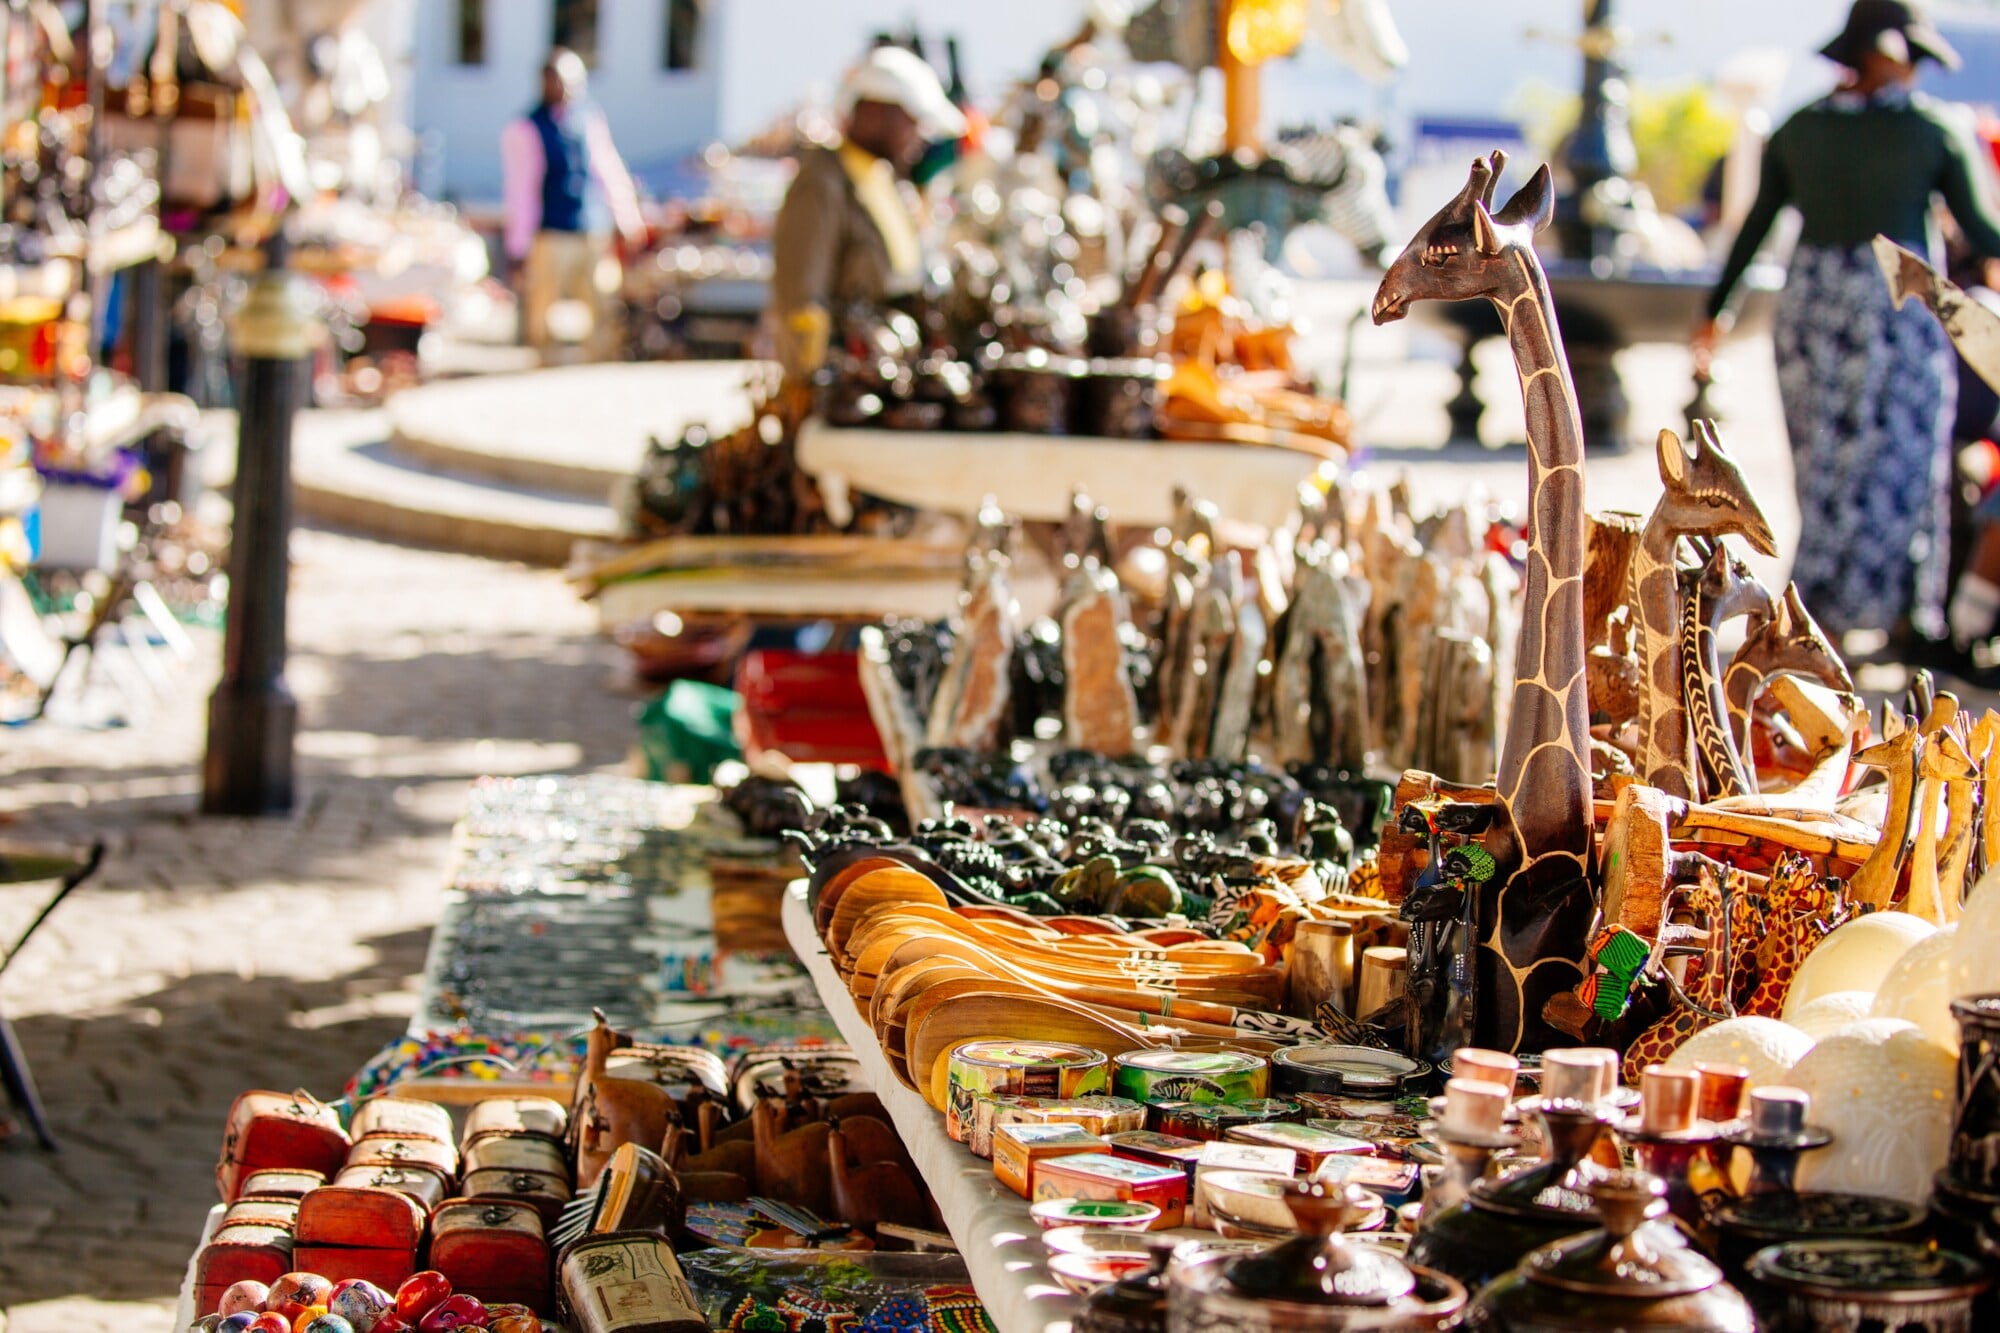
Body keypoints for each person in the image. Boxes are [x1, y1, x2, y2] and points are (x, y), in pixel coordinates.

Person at [1694, 0, 2000, 652]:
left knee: (1826, 469)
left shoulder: (1800, 129)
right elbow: (1983, 229)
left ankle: (1819, 615)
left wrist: (1714, 314)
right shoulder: (1932, 129)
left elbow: (1755, 226)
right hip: (1898, 309)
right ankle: (1904, 619)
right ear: (1888, 56)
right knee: (1903, 465)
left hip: (1812, 313)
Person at [767, 46, 966, 379]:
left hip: (891, 367)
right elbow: (801, 299)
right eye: (912, 120)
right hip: (849, 378)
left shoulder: (884, 178)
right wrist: (812, 377)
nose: (919, 135)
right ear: (874, 111)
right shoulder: (823, 183)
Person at [500, 48, 646, 361]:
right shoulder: (526, 127)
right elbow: (521, 189)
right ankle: (545, 366)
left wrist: (626, 217)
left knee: (602, 303)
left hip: (591, 227)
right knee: (543, 309)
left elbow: (608, 169)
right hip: (550, 231)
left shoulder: (588, 118)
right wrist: (518, 245)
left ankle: (599, 365)